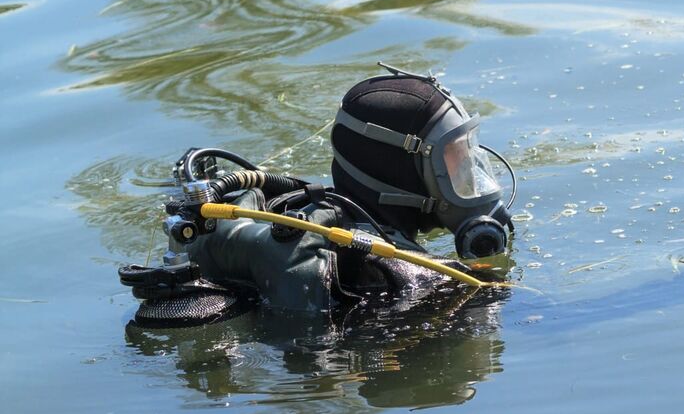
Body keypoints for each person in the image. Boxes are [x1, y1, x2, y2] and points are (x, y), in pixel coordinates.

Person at [119, 64, 516, 326]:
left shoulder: (301, 213)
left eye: (469, 154)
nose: (468, 174)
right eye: (453, 159)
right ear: (399, 171)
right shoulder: (409, 275)